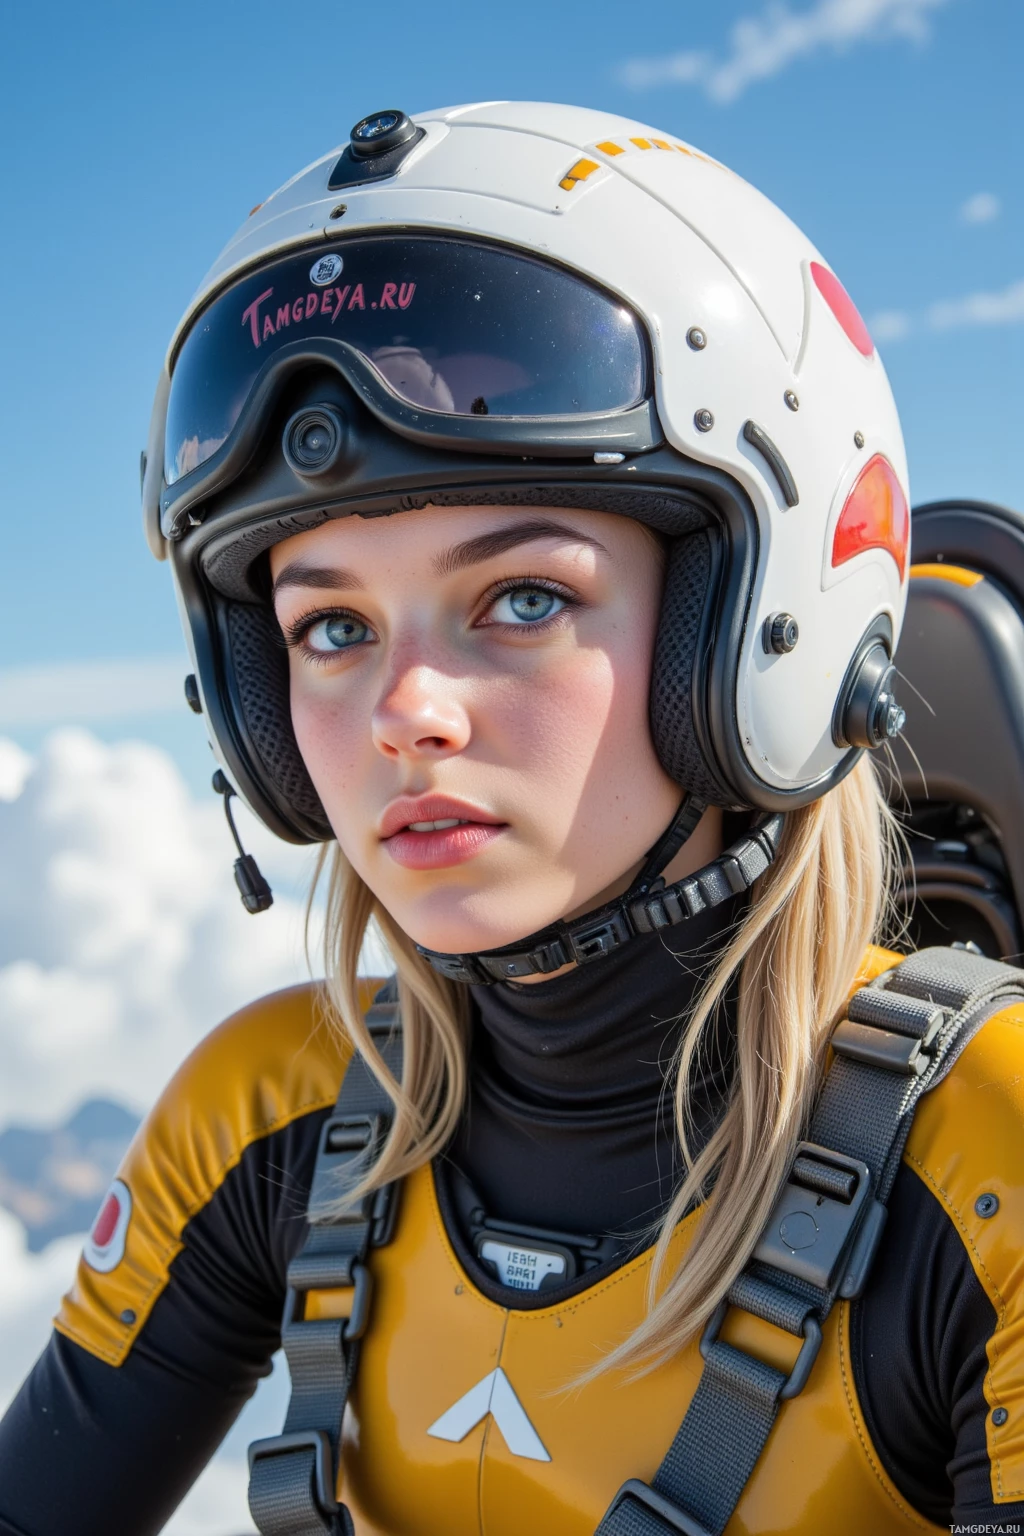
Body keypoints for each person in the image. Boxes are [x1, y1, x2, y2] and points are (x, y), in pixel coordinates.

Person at [1, 101, 1022, 1536]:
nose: (404, 708)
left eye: (522, 599)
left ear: (753, 640)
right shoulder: (266, 1119)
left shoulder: (996, 1168)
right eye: (330, 627)